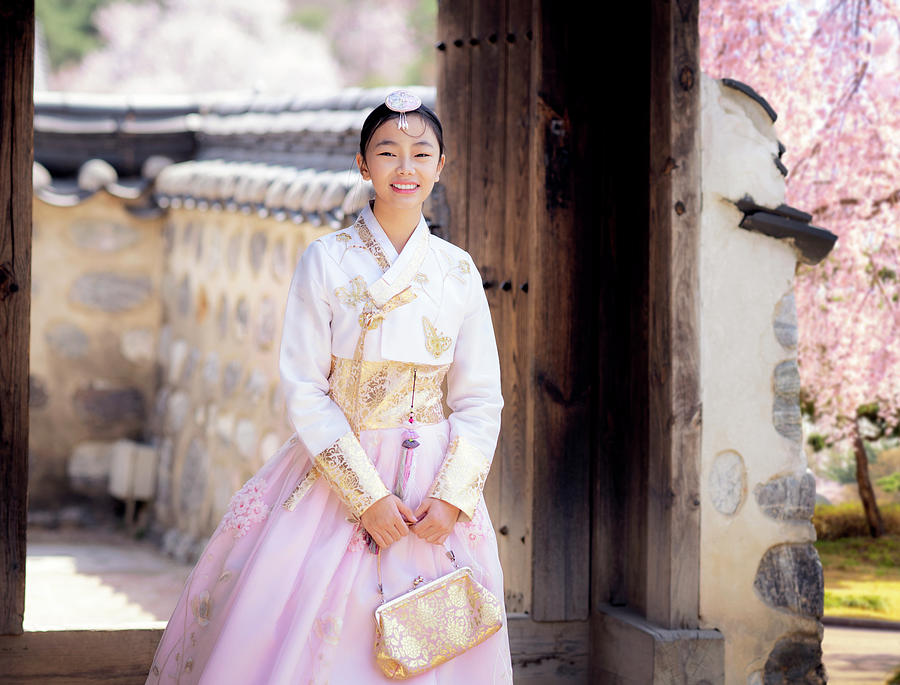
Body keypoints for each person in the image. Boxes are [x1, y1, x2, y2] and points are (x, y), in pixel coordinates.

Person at [145, 90, 513, 684]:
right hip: (341, 472)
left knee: (437, 638)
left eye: (421, 154)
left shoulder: (458, 271)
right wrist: (365, 496)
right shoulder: (327, 260)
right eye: (388, 152)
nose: (405, 167)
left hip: (433, 490)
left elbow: (478, 397)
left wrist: (453, 497)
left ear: (441, 167)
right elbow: (306, 387)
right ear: (363, 164)